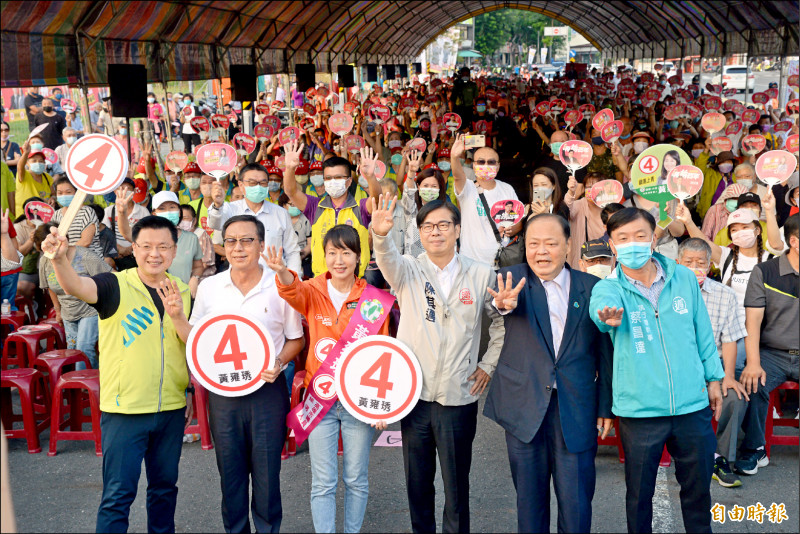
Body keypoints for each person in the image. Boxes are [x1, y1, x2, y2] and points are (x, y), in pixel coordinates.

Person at [40, 216, 192, 533]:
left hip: (170, 409)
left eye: (163, 246)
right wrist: (58, 261)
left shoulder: (180, 289)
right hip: (125, 411)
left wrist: (187, 390)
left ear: (174, 251)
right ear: (133, 249)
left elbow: (185, 345)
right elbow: (76, 285)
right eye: (147, 246)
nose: (155, 253)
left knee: (165, 492)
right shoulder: (114, 284)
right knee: (118, 496)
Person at [372, 194, 505, 533]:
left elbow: (502, 321)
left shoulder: (481, 274)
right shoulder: (408, 269)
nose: (436, 232)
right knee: (417, 484)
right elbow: (386, 259)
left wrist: (488, 364)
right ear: (420, 233)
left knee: (457, 485)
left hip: (457, 397)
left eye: (444, 225)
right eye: (428, 226)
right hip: (414, 396)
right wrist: (380, 235)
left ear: (457, 229)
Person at [163, 214, 303, 533]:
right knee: (231, 475)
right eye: (230, 241)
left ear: (262, 245)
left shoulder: (281, 285)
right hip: (223, 394)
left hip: (267, 393)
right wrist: (177, 318)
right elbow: (195, 339)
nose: (238, 248)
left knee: (267, 477)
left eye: (246, 240)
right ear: (223, 247)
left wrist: (279, 363)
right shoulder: (211, 288)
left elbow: (296, 340)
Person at [589, 207, 724, 534]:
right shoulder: (610, 288)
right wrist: (605, 317)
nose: (632, 244)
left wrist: (714, 378)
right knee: (639, 495)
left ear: (653, 240)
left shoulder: (683, 278)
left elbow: (702, 331)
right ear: (612, 244)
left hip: (691, 405)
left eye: (639, 236)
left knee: (698, 490)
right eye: (622, 238)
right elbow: (599, 309)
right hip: (640, 410)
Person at [483, 213, 614, 533]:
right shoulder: (510, 279)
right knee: (529, 503)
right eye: (533, 244)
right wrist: (501, 306)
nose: (541, 251)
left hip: (577, 406)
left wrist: (605, 406)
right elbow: (496, 305)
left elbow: (604, 352)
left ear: (568, 245)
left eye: (551, 243)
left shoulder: (592, 287)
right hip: (523, 405)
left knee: (577, 502)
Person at [268, 224, 390, 533]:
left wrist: (381, 407)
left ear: (358, 257)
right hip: (319, 399)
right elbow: (289, 289)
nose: (339, 260)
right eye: (332, 253)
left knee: (356, 479)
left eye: (346, 252)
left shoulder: (373, 299)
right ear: (324, 257)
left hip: (358, 402)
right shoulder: (312, 290)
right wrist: (282, 270)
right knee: (323, 481)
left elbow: (382, 353)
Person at [675, 238, 749, 488]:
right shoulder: (667, 292)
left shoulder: (724, 294)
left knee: (734, 397)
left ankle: (719, 459)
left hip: (714, 365)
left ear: (710, 266)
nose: (695, 267)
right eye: (688, 262)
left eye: (701, 263)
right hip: (679, 366)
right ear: (677, 263)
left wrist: (727, 375)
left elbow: (729, 340)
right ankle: (684, 454)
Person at [737, 213, 799, 475]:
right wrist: (753, 362)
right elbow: (752, 322)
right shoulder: (765, 272)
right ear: (795, 241)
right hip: (772, 352)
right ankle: (754, 449)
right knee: (752, 381)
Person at [282, 141, 382, 278]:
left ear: (349, 181)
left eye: (338, 177)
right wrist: (289, 168)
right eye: (328, 178)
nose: (333, 181)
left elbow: (376, 199)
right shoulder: (314, 206)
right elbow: (290, 191)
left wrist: (370, 177)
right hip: (321, 281)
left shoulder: (360, 207)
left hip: (354, 280)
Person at [35, 222, 110, 370]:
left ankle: (88, 388)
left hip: (91, 310)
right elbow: (50, 287)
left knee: (84, 348)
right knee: (73, 350)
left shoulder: (85, 256)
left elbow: (110, 278)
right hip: (68, 312)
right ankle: (80, 387)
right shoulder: (45, 260)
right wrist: (58, 311)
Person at [207, 162, 302, 276]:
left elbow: (292, 251)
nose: (258, 187)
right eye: (252, 183)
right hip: (240, 279)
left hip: (274, 281)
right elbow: (214, 223)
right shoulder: (230, 209)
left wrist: (295, 280)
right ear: (241, 185)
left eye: (262, 183)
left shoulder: (281, 213)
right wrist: (217, 205)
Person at [450, 134, 519, 267]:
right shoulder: (467, 187)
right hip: (470, 262)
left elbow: (518, 220)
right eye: (481, 162)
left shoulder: (507, 189)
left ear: (498, 166)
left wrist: (510, 229)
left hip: (500, 261)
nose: (486, 165)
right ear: (474, 165)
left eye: (491, 162)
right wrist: (454, 157)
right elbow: (458, 177)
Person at [400, 151, 447, 258]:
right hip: (414, 266)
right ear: (418, 186)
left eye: (434, 186)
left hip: (438, 265)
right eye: (425, 185)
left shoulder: (446, 212)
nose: (429, 189)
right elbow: (409, 192)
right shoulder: (412, 210)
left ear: (440, 188)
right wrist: (411, 173)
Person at [103, 178, 151, 271]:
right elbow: (105, 235)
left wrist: (131, 248)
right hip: (115, 253)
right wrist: (118, 248)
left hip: (137, 252)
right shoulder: (109, 211)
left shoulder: (142, 211)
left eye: (128, 188)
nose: (125, 191)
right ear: (115, 191)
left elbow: (147, 234)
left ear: (133, 191)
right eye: (121, 188)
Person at [51, 176, 103, 257]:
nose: (64, 195)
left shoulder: (87, 211)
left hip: (88, 261)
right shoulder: (56, 214)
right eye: (60, 193)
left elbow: (86, 241)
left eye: (68, 192)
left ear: (76, 193)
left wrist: (64, 252)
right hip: (66, 261)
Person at [15, 140, 53, 215]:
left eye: (41, 161)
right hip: (25, 216)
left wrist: (52, 199)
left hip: (43, 215)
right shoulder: (24, 175)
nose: (38, 163)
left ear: (45, 163)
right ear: (27, 163)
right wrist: (26, 153)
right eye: (34, 161)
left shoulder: (47, 177)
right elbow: (20, 166)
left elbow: (53, 194)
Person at [278, 193, 311, 279]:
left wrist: (300, 256)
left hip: (304, 257)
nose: (295, 206)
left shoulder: (306, 219)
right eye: (292, 204)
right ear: (284, 205)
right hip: (283, 258)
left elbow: (310, 243)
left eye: (297, 203)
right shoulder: (280, 220)